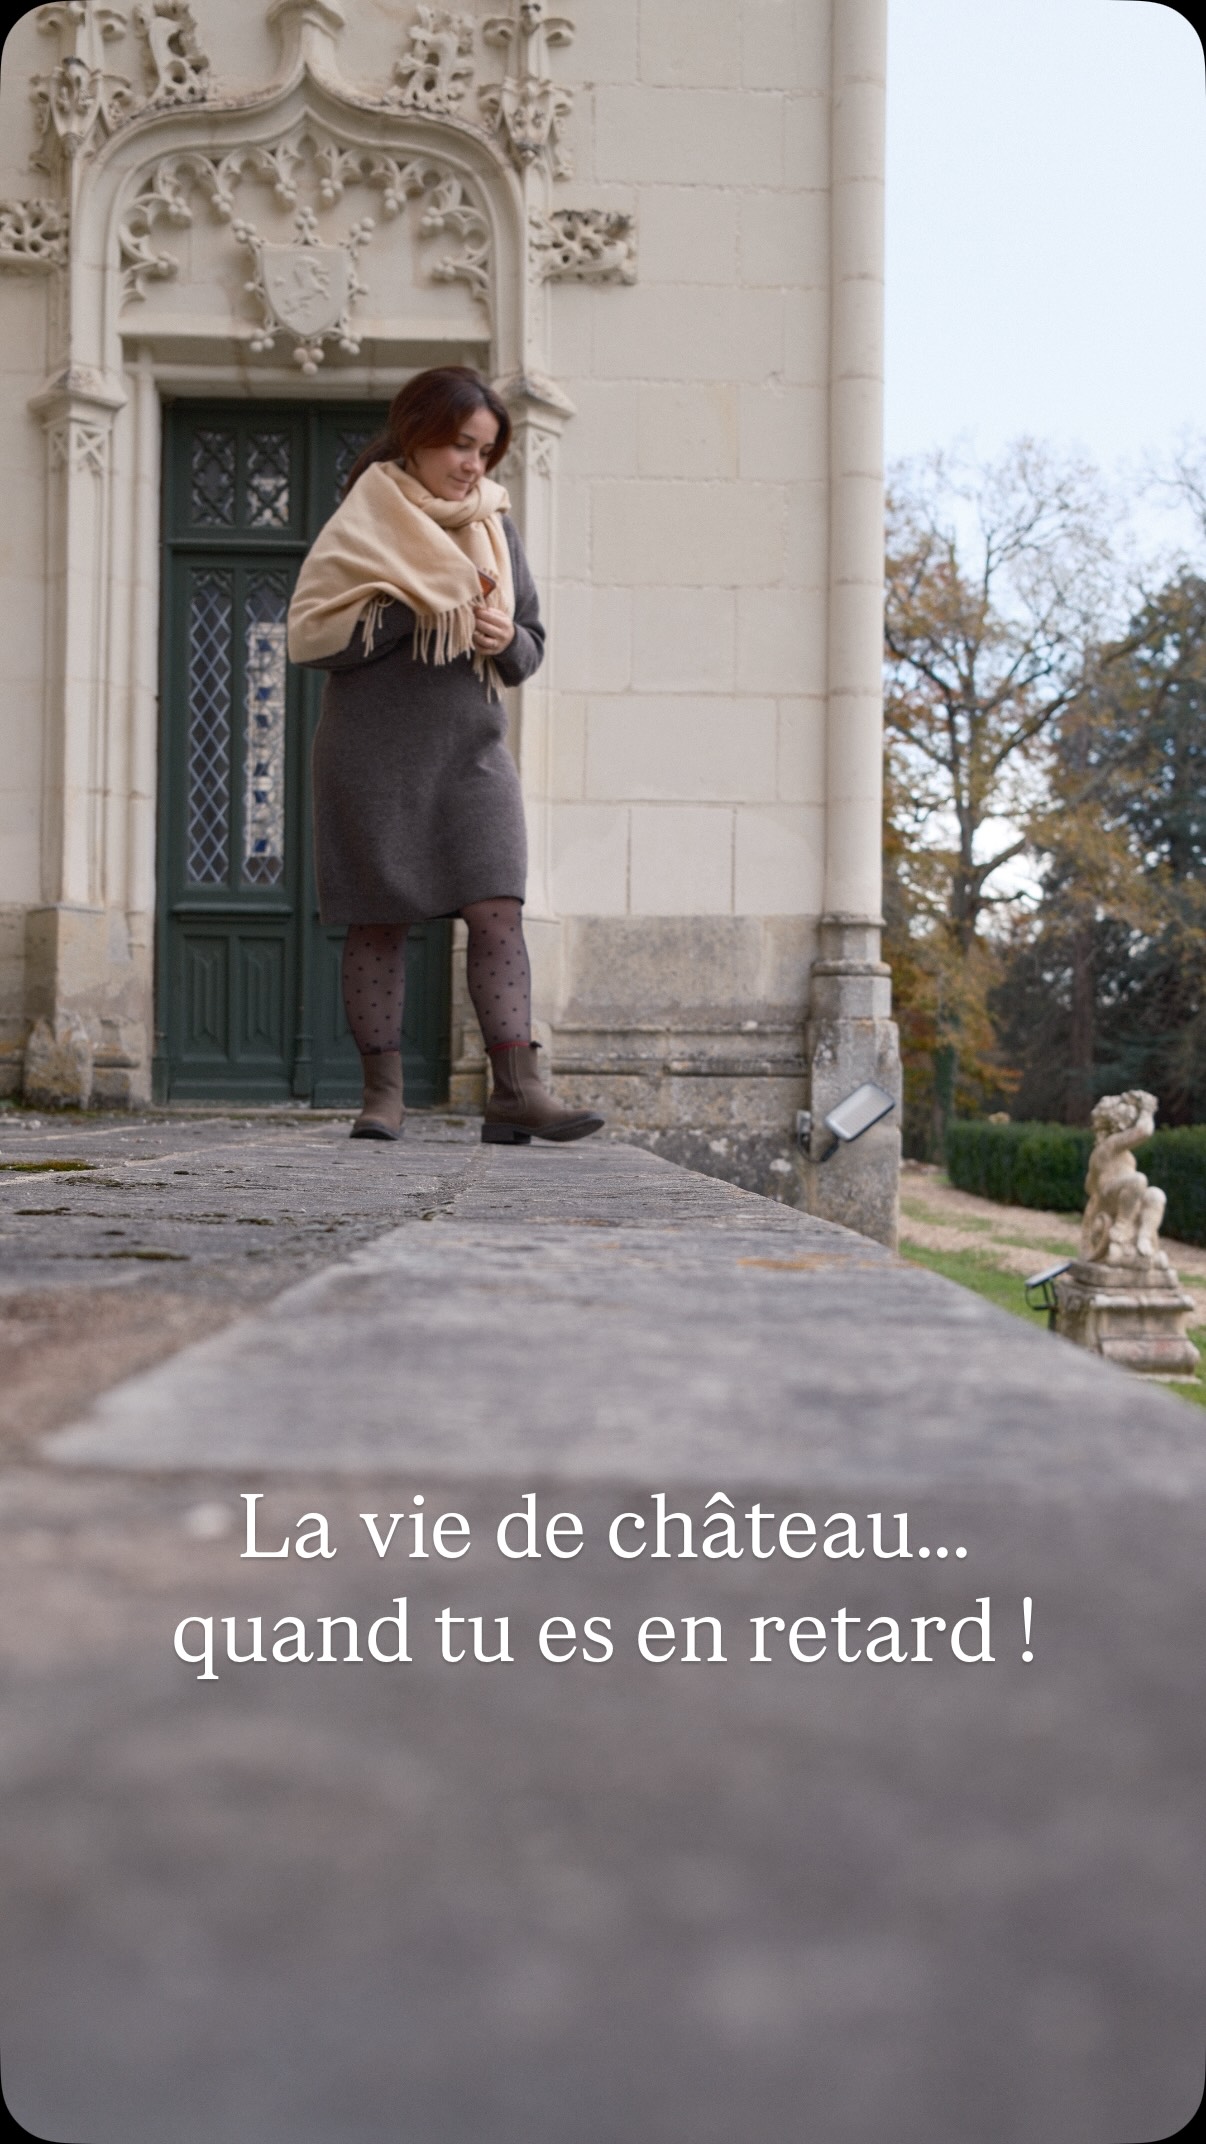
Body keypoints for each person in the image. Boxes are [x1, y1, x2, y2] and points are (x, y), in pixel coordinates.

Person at [287, 366, 603, 1147]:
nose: (473, 465)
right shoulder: (362, 521)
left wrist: (505, 638)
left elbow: (530, 644)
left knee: (498, 909)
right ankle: (383, 1098)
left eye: (486, 451)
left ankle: (516, 1090)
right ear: (418, 433)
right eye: (461, 444)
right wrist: (419, 603)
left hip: (473, 753)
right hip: (372, 751)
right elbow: (318, 636)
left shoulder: (494, 524)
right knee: (379, 922)